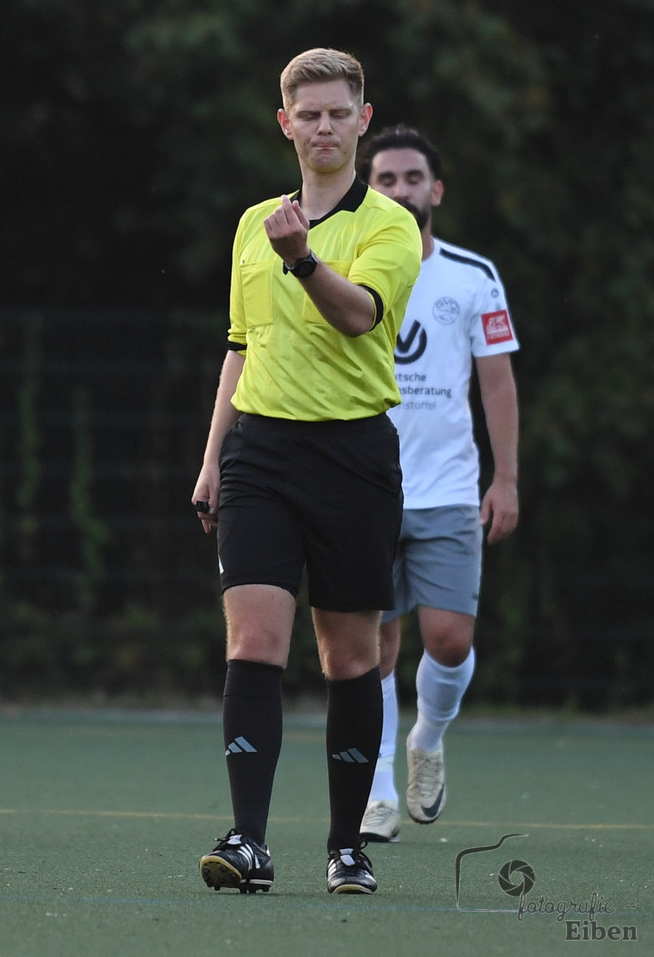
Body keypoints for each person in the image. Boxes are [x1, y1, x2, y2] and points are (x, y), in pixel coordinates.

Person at [191, 52, 422, 894]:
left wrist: (302, 260)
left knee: (348, 654)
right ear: (283, 124)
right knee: (251, 639)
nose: (323, 128)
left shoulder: (390, 224)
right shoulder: (256, 220)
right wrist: (214, 458)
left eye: (337, 113)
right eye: (308, 115)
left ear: (362, 121)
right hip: (260, 452)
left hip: (352, 454)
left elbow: (361, 317)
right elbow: (239, 346)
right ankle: (246, 842)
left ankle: (345, 845)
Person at [356, 126, 520, 844]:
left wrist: (505, 477)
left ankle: (427, 736)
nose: (399, 190)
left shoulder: (471, 276)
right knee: (374, 648)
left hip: (449, 490)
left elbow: (497, 385)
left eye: (411, 178)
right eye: (385, 179)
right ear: (369, 189)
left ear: (435, 190)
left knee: (448, 641)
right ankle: (377, 791)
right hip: (362, 486)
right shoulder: (345, 269)